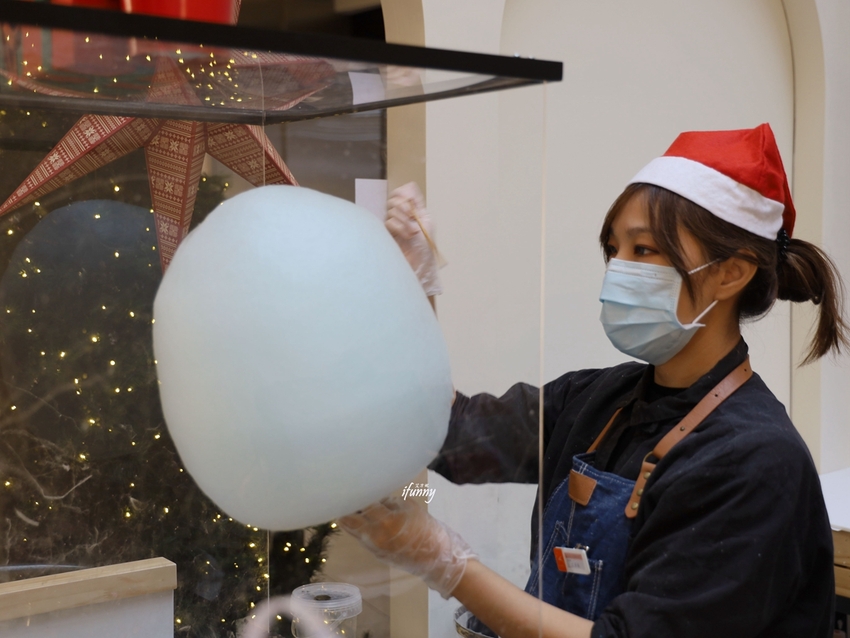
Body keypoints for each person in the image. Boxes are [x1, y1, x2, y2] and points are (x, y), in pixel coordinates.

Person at [339, 124, 844, 638]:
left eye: (643, 250)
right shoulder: (597, 400)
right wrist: (416, 288)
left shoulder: (754, 460)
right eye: (613, 248)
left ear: (731, 273)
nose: (616, 271)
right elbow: (448, 432)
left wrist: (446, 564)